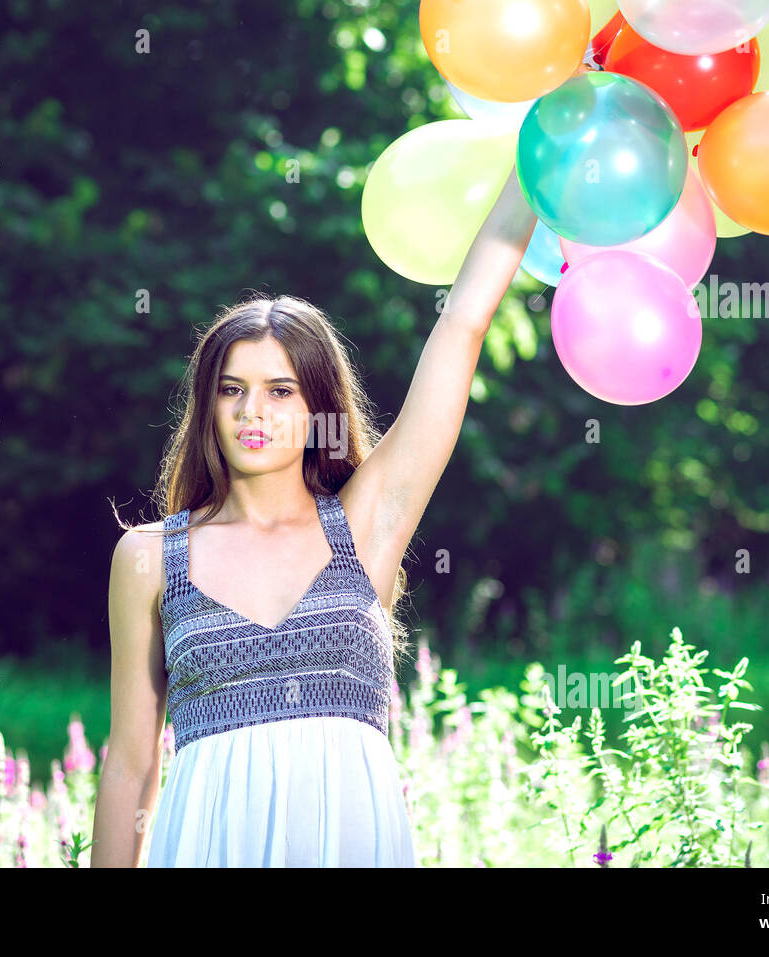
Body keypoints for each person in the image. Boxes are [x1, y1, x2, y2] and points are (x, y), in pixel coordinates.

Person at [92, 170, 537, 867]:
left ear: (317, 406)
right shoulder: (150, 558)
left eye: (280, 390)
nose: (251, 412)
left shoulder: (364, 528)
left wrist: (541, 154)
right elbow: (129, 763)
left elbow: (464, 320)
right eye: (231, 390)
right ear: (207, 405)